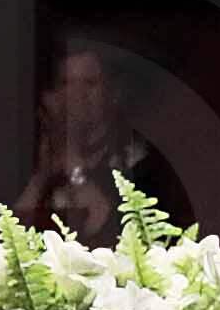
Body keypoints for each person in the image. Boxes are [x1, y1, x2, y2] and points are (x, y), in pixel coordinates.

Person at [21, 36, 171, 237]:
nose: (76, 95)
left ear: (114, 92)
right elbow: (10, 236)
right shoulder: (33, 156)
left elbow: (103, 227)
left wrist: (73, 161)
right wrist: (41, 177)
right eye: (66, 83)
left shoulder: (143, 164)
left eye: (89, 83)